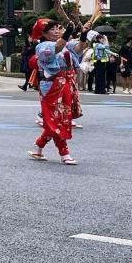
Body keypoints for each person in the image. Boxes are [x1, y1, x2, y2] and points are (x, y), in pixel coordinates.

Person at [28, 18, 85, 165]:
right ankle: (64, 153)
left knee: (59, 119)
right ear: (44, 34)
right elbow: (56, 48)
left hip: (66, 84)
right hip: (51, 85)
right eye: (52, 29)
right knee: (56, 119)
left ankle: (38, 146)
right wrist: (68, 33)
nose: (56, 31)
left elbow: (79, 48)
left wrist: (83, 34)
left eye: (58, 28)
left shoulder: (65, 44)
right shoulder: (42, 46)